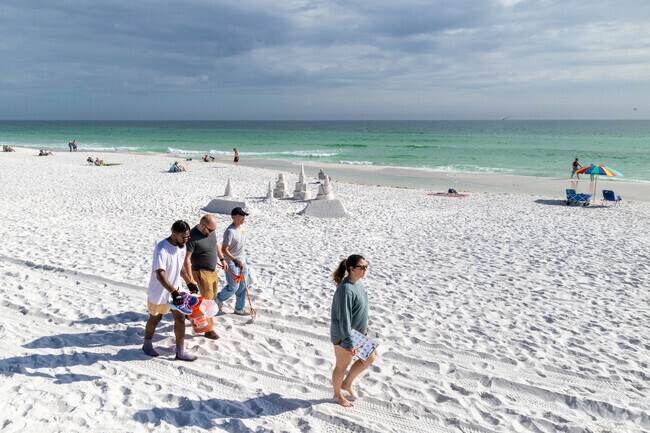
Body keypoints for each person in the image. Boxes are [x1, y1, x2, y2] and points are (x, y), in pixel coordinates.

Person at [142, 220, 197, 362]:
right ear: (174, 234)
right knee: (155, 318)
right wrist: (173, 292)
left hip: (175, 290)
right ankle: (147, 344)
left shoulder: (182, 246)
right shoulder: (162, 249)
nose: (186, 240)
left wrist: (189, 281)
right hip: (159, 291)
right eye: (183, 237)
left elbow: (181, 268)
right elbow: (160, 275)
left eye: (188, 237)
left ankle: (180, 351)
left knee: (180, 319)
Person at [330, 254, 374, 407]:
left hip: (357, 333)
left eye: (366, 267)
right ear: (351, 269)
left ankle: (346, 384)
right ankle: (337, 395)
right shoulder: (345, 290)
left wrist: (364, 325)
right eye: (362, 267)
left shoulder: (358, 283)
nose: (364, 270)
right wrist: (349, 343)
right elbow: (344, 318)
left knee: (369, 358)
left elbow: (360, 308)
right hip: (344, 335)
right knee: (341, 366)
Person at [183, 214, 228, 340]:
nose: (213, 232)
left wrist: (222, 259)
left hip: (213, 271)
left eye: (214, 230)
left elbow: (216, 244)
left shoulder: (210, 232)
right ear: (203, 226)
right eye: (211, 230)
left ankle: (190, 313)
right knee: (207, 302)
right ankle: (208, 330)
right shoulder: (192, 238)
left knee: (212, 299)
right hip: (201, 272)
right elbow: (186, 260)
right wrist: (190, 279)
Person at [216, 207, 250, 315]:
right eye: (241, 216)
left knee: (243, 286)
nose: (243, 218)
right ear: (234, 217)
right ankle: (218, 299)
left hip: (242, 261)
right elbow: (223, 249)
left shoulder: (242, 228)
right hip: (231, 263)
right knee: (233, 287)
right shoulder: (229, 232)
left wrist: (242, 260)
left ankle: (239, 309)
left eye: (244, 216)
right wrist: (234, 260)